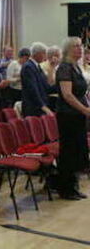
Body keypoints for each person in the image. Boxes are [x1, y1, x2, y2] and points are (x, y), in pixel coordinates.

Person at [56, 37, 89, 200]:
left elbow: (82, 93)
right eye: (76, 46)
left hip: (78, 115)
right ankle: (65, 189)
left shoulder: (76, 67)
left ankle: (73, 186)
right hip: (68, 115)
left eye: (80, 46)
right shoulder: (64, 68)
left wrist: (86, 108)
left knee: (77, 151)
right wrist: (85, 110)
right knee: (68, 151)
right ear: (68, 49)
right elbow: (67, 95)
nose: (80, 48)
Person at [21, 42, 56, 117]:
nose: (45, 56)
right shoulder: (28, 67)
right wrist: (42, 106)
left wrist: (61, 85)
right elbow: (33, 89)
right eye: (44, 53)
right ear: (37, 53)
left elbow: (46, 88)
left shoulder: (37, 67)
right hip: (33, 108)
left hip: (39, 106)